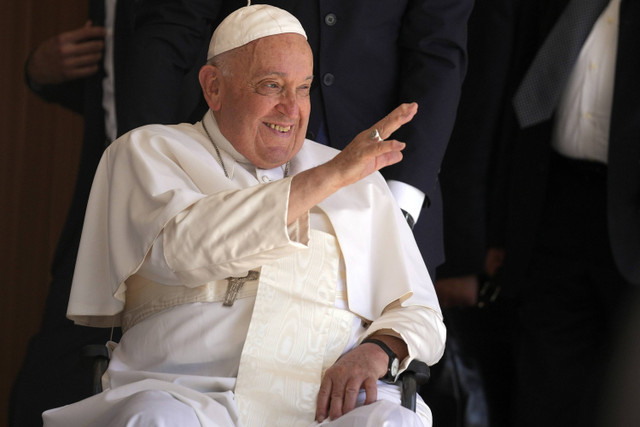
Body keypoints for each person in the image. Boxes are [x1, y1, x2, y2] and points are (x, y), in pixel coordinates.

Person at [42, 5, 446, 426]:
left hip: (325, 404)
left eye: (303, 88)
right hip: (188, 394)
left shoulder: (357, 179)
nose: (291, 109)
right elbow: (187, 247)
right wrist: (328, 178)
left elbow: (421, 313)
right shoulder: (148, 152)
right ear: (213, 87)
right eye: (272, 85)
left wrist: (379, 349)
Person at [130, 0, 472, 278]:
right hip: (227, 178)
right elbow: (171, 27)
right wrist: (155, 164)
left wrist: (399, 206)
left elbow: (439, 50)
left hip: (386, 178)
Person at [487, 0, 640, 425]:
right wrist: (498, 230)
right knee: (546, 382)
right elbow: (512, 108)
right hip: (555, 202)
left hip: (630, 216)